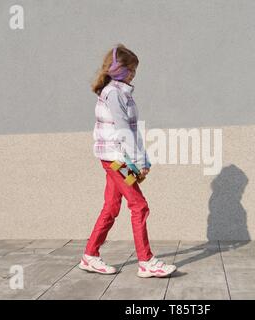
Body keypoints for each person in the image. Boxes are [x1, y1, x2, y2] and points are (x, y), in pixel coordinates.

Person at [79, 44, 177, 278]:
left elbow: (131, 130)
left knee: (111, 207)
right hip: (116, 160)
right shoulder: (114, 93)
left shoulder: (119, 92)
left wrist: (143, 160)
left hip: (116, 158)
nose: (134, 74)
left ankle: (90, 256)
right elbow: (123, 130)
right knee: (139, 206)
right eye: (132, 69)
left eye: (135, 69)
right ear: (120, 68)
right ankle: (146, 261)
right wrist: (139, 162)